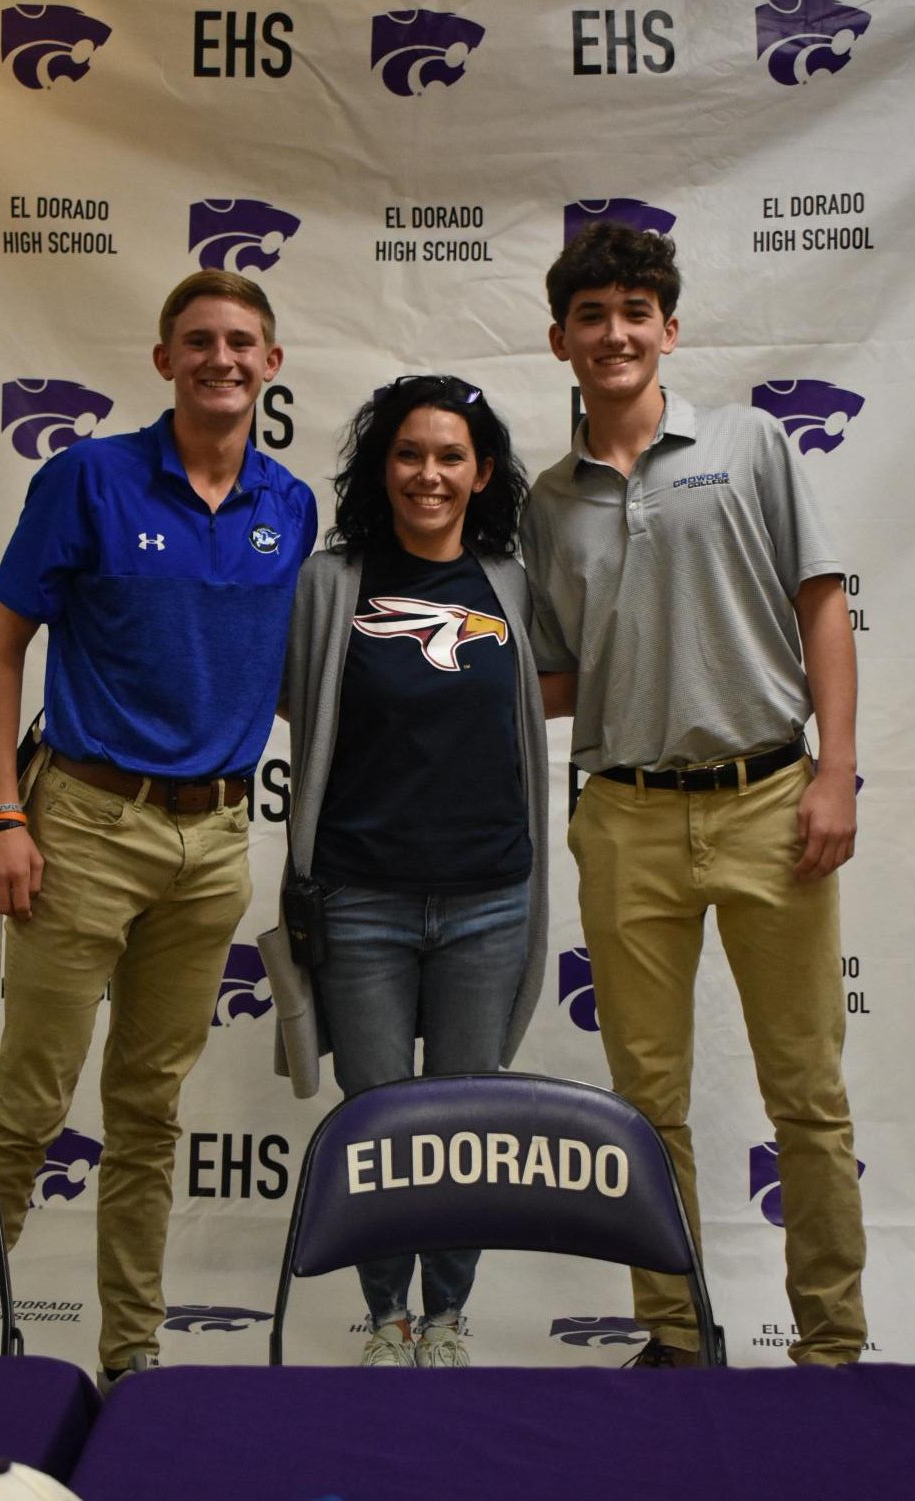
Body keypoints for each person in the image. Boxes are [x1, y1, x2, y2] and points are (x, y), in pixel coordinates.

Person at [0, 270, 317, 1389]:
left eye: (243, 342)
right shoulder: (89, 478)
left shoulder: (288, 507)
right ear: (164, 362)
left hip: (215, 844)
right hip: (84, 827)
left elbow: (272, 671)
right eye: (198, 341)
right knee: (28, 1106)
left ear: (271, 364)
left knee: (148, 1111)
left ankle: (132, 1360)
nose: (221, 359)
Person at [521, 220, 866, 1368]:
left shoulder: (752, 442)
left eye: (634, 311)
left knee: (806, 1093)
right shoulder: (545, 500)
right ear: (561, 339)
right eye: (590, 315)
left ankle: (832, 1345)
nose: (613, 332)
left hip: (771, 800)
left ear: (668, 328)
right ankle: (675, 1336)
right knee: (646, 1101)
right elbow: (560, 673)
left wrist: (835, 770)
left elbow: (823, 605)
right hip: (621, 817)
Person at [262, 374, 548, 1368]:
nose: (429, 473)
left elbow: (547, 690)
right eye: (409, 454)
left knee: (462, 1126)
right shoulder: (331, 580)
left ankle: (447, 1321)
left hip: (490, 899)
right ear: (382, 467)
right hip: (360, 895)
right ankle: (385, 1317)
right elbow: (301, 701)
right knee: (378, 1120)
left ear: (481, 474)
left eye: (450, 456)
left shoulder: (513, 581)